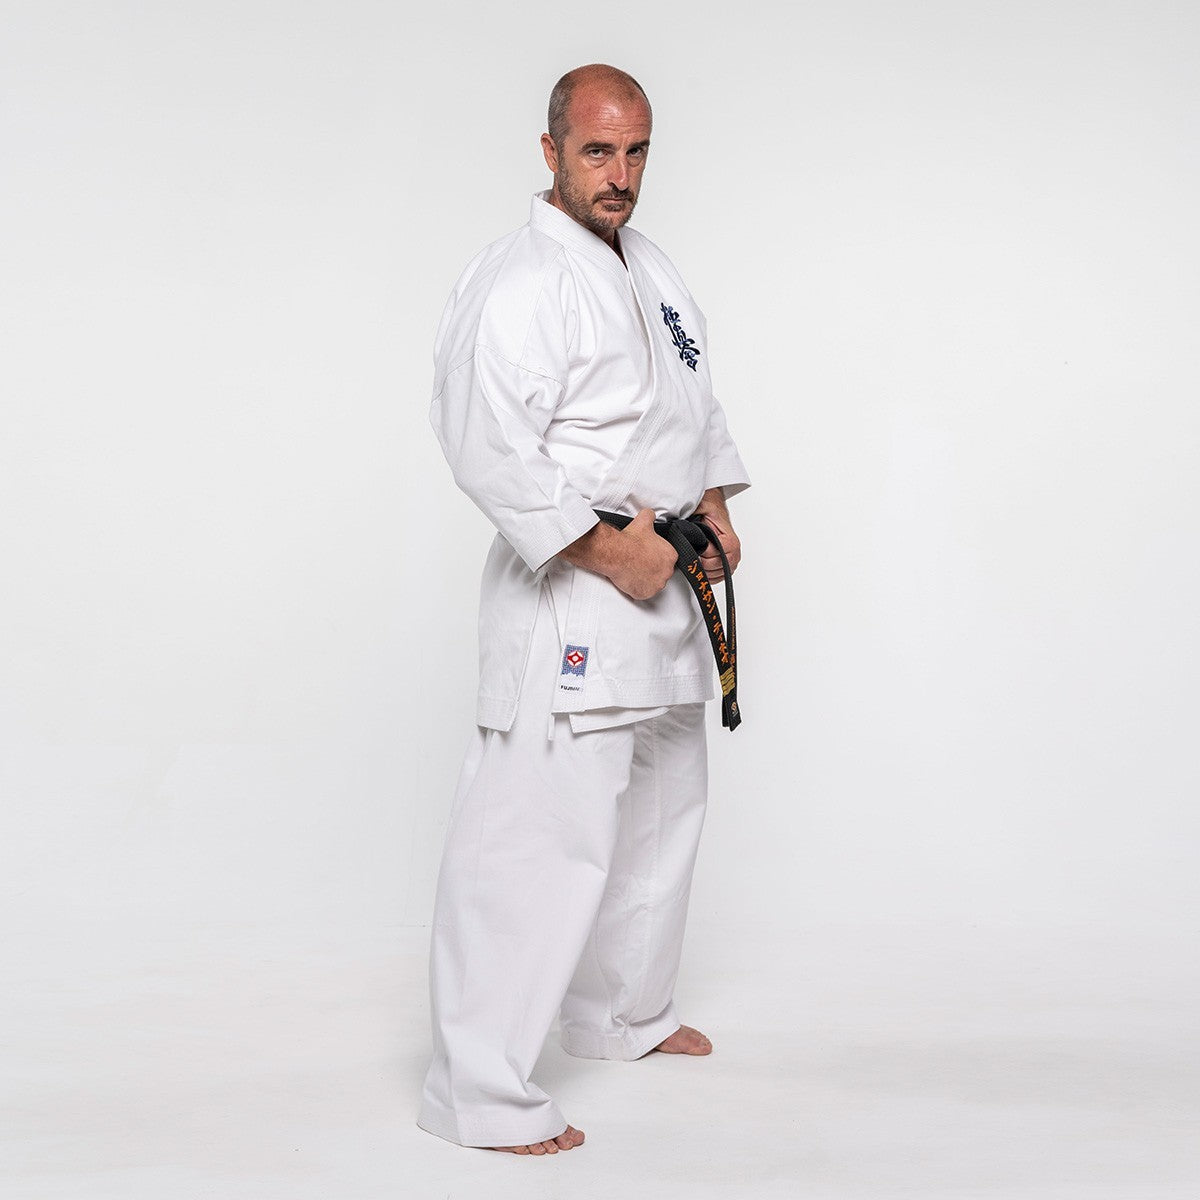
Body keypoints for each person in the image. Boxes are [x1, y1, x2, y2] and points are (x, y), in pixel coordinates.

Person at [417, 63, 750, 1156]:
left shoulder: (650, 266)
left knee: (659, 809)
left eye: (637, 151)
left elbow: (692, 406)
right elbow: (485, 443)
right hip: (575, 581)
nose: (620, 174)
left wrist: (712, 508)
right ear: (551, 149)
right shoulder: (518, 278)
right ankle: (479, 1092)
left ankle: (621, 1016)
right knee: (535, 839)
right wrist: (610, 553)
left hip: (663, 576)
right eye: (598, 150)